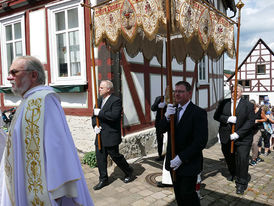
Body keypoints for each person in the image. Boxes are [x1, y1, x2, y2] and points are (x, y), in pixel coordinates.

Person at [0, 56, 94, 205]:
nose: (8, 77)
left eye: (14, 72)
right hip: (21, 185)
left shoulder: (45, 99)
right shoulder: (27, 101)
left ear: (33, 75)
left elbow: (58, 150)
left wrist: (58, 191)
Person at [160, 81, 208, 205]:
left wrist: (181, 158)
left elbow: (200, 141)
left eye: (180, 91)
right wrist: (165, 117)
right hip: (173, 162)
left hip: (188, 163)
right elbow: (160, 130)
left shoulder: (198, 113)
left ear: (189, 94)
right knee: (178, 195)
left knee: (188, 195)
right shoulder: (172, 111)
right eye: (175, 91)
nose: (177, 94)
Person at [92, 80, 134, 190]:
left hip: (111, 135)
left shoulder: (116, 101)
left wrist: (100, 113)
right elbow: (93, 116)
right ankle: (103, 179)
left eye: (101, 87)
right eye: (99, 87)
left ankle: (128, 171)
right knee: (100, 158)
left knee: (115, 156)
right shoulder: (99, 100)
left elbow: (114, 116)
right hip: (100, 135)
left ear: (108, 89)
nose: (99, 89)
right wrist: (94, 126)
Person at [214, 84, 254, 195]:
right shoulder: (224, 103)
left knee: (242, 159)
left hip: (243, 138)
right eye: (232, 91)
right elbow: (216, 116)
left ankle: (241, 183)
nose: (234, 93)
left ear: (241, 92)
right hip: (226, 136)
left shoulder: (248, 105)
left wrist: (238, 134)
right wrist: (227, 119)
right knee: (229, 156)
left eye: (237, 91)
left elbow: (250, 122)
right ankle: (233, 172)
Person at [151, 89, 167, 161]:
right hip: (159, 123)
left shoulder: (173, 99)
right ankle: (160, 155)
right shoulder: (159, 99)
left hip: (169, 123)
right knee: (160, 139)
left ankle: (169, 154)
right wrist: (158, 106)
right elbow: (153, 108)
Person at [249, 100, 266, 166]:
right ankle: (257, 156)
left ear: (255, 105)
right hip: (250, 129)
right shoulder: (249, 111)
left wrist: (258, 120)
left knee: (254, 143)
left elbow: (265, 119)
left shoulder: (260, 110)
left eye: (252, 106)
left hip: (258, 129)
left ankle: (254, 159)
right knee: (249, 144)